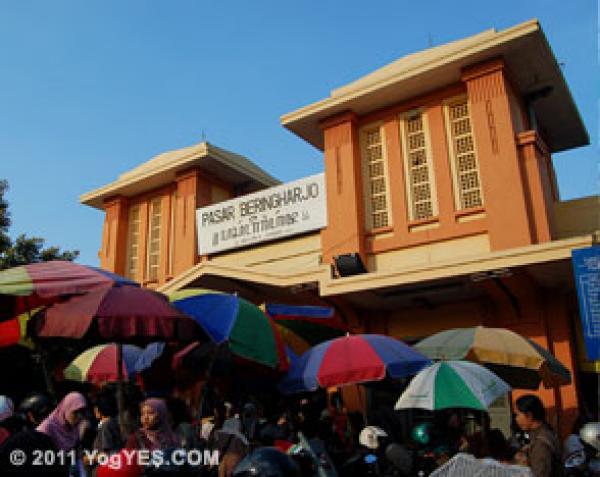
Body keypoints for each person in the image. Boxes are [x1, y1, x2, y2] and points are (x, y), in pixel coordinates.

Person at [514, 394, 563, 477]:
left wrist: (523, 466)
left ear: (529, 415)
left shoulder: (541, 443)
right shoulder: (543, 433)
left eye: (518, 415)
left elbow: (539, 473)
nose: (516, 419)